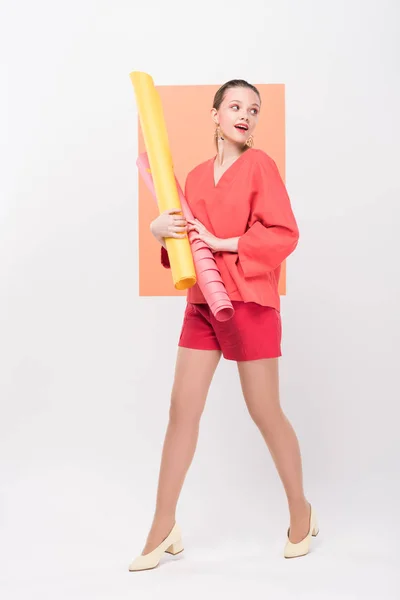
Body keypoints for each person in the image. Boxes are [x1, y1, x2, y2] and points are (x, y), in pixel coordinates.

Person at [129, 79, 318, 572]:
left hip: (249, 301)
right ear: (214, 115)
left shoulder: (260, 166)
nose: (245, 115)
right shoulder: (191, 177)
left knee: (264, 410)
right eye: (234, 106)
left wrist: (225, 241)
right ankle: (163, 522)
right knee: (181, 410)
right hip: (201, 303)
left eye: (253, 109)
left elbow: (283, 233)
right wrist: (159, 231)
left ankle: (301, 510)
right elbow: (184, 243)